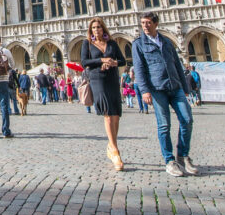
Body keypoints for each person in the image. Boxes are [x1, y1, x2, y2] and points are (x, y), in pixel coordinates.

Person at [132, 11, 198, 177]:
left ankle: (183, 156)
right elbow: (139, 69)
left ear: (155, 23)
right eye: (143, 23)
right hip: (156, 88)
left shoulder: (166, 42)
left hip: (175, 86)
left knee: (187, 119)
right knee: (164, 125)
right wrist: (144, 90)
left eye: (148, 22)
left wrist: (185, 87)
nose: (145, 26)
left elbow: (176, 64)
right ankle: (169, 160)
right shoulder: (138, 44)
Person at [81, 17, 127, 171]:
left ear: (103, 29)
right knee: (107, 113)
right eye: (94, 28)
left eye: (99, 27)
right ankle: (114, 150)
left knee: (115, 115)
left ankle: (111, 144)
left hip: (112, 78)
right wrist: (102, 60)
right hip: (97, 79)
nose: (96, 30)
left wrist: (113, 62)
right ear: (91, 30)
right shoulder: (87, 44)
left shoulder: (112, 43)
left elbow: (122, 60)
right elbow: (84, 62)